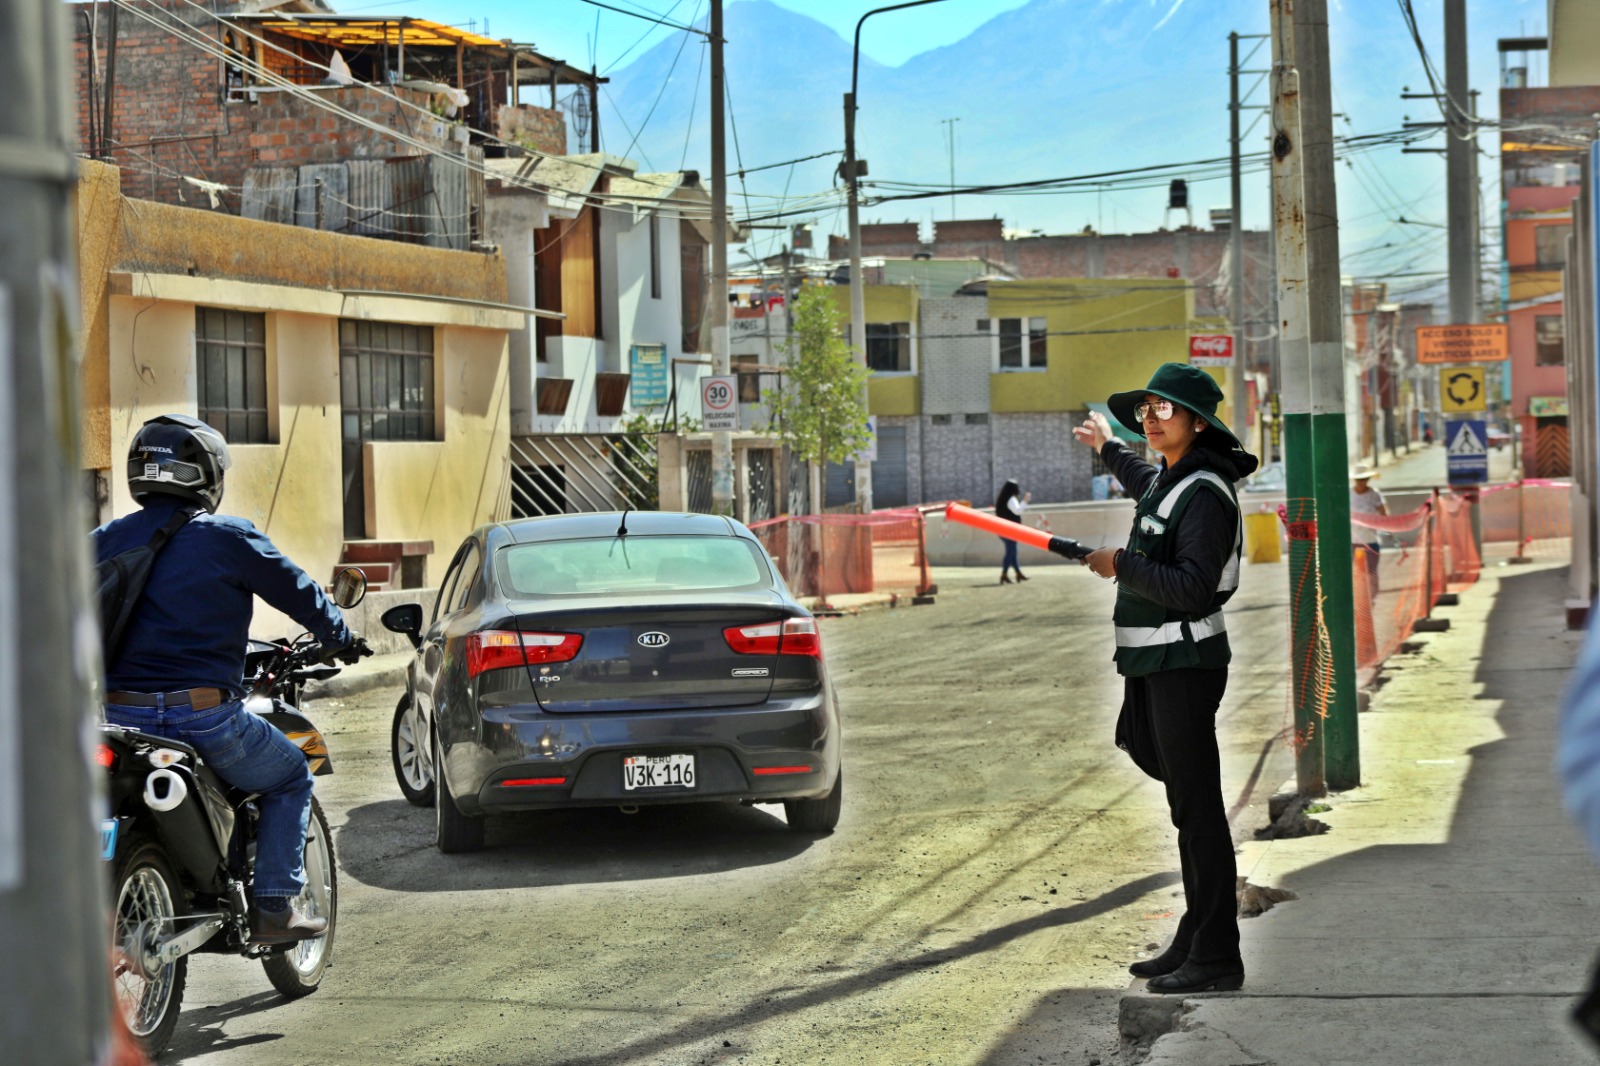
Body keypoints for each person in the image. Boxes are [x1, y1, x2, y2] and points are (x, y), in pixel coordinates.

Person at [94, 414, 366, 943]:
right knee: (291, 775)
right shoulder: (227, 537)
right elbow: (302, 593)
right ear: (206, 475)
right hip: (202, 718)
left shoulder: (102, 540)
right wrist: (339, 634)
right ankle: (273, 907)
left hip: (118, 718)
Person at [1072, 363, 1258, 995]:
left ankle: (1216, 955)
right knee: (1185, 806)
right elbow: (1141, 476)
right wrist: (1106, 446)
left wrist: (1119, 564)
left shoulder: (1205, 491)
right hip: (1155, 664)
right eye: (1146, 408)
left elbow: (1189, 587)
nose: (1151, 419)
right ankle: (1195, 934)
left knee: (1199, 811)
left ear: (1198, 423)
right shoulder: (1172, 480)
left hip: (1185, 663)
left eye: (1164, 410)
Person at [1350, 463, 1386, 604]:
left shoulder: (1374, 495)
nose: (1362, 482)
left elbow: (1383, 513)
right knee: (1355, 571)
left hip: (1371, 539)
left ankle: (1370, 598)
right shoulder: (1348, 494)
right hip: (1353, 540)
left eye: (1364, 479)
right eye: (1359, 480)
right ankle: (1358, 598)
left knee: (1370, 570)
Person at [994, 479, 1031, 584]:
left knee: (1012, 552)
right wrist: (1025, 501)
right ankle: (1004, 574)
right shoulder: (1011, 499)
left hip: (1003, 529)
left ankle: (1018, 573)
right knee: (1011, 552)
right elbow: (1018, 511)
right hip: (1010, 530)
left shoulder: (1003, 499)